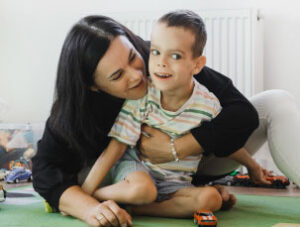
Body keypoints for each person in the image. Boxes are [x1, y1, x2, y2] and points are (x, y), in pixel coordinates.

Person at [32, 13, 300, 227]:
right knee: (107, 183)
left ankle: (188, 190)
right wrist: (87, 207)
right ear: (93, 87)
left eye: (133, 57)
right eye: (117, 76)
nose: (137, 75)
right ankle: (139, 201)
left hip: (188, 166)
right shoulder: (74, 110)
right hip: (128, 175)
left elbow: (238, 114)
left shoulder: (160, 60)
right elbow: (44, 169)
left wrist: (179, 147)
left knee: (277, 101)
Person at [82, 10, 226, 214]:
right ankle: (99, 196)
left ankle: (141, 209)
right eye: (156, 52)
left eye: (175, 55)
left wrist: (253, 167)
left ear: (196, 65)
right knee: (144, 189)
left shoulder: (209, 104)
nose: (161, 63)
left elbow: (227, 138)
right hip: (137, 171)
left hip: (176, 183)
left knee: (211, 199)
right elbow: (116, 147)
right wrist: (85, 193)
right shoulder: (145, 95)